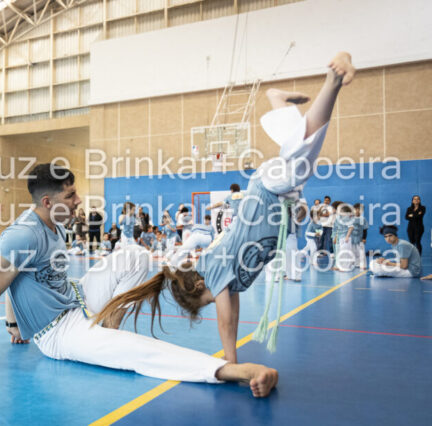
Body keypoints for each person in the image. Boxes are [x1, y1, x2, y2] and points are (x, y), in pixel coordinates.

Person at [96, 52, 356, 364]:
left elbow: (226, 321)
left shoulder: (213, 268)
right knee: (296, 148)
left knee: (302, 153)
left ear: (200, 285)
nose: (220, 299)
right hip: (277, 197)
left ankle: (333, 81)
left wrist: (230, 361)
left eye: (208, 300)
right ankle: (278, 101)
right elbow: (233, 309)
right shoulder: (229, 281)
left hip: (266, 189)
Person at [0, 163, 278, 397]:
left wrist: (14, 324)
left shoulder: (55, 224)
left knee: (136, 255)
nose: (78, 200)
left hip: (77, 297)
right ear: (47, 201)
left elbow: (19, 276)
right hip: (57, 332)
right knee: (136, 351)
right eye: (70, 196)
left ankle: (107, 328)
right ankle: (231, 371)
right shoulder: (22, 234)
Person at [351, 203, 369, 270]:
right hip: (352, 239)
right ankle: (353, 264)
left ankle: (362, 264)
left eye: (360, 210)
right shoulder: (350, 219)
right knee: (352, 251)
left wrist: (364, 238)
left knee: (361, 252)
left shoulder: (363, 219)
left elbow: (365, 229)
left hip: (360, 239)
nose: (357, 211)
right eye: (356, 209)